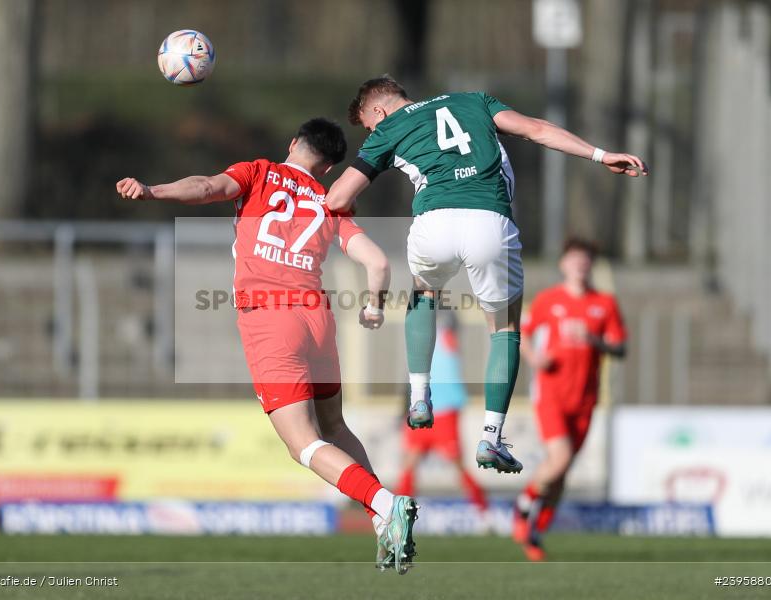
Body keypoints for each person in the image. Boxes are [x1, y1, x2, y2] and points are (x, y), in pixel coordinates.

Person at [116, 118, 418, 574]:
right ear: (332, 167)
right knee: (335, 427)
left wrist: (152, 190)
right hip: (317, 316)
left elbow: (204, 187)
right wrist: (373, 306)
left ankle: (384, 502)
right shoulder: (332, 199)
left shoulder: (257, 172)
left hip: (270, 318)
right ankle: (381, 520)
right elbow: (376, 262)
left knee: (302, 444)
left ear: (293, 143)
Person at [325, 76, 646, 475]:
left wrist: (339, 212)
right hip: (488, 219)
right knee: (505, 327)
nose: (372, 131)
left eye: (369, 125)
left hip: (434, 222)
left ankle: (420, 396)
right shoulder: (474, 101)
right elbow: (538, 130)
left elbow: (337, 197)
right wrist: (601, 155)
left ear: (377, 111)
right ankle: (491, 438)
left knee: (423, 294)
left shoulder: (389, 128)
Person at [515, 238, 628, 561]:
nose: (579, 264)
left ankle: (534, 533)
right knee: (559, 459)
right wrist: (535, 358)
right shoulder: (548, 301)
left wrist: (594, 339)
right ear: (563, 264)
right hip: (551, 394)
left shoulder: (604, 303)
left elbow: (620, 348)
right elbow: (521, 333)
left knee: (560, 477)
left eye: (585, 259)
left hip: (585, 399)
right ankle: (523, 509)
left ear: (591, 265)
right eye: (573, 258)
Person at [396, 310, 489, 516]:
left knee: (456, 463)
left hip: (445, 410)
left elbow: (451, 319)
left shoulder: (445, 334)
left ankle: (482, 509)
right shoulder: (419, 341)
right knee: (409, 462)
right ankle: (399, 515)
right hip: (421, 408)